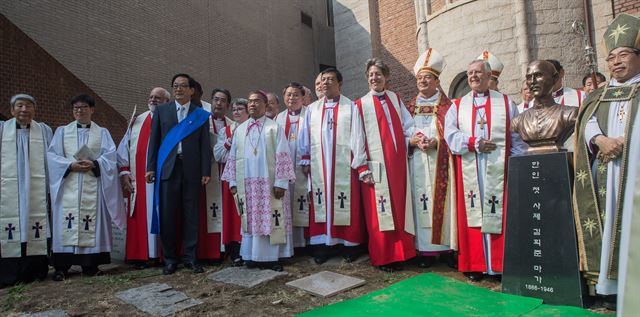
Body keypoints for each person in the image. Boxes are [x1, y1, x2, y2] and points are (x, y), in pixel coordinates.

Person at [573, 13, 640, 311]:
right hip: (605, 176)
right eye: (611, 57)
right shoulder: (598, 96)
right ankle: (608, 287)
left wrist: (628, 142)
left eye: (623, 54)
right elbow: (585, 122)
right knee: (609, 225)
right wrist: (601, 140)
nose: (615, 62)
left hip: (634, 175)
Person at [444, 59, 527, 281]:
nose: (473, 76)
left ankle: (500, 265)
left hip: (499, 170)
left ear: (489, 76)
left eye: (478, 72)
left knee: (499, 213)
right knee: (473, 214)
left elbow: (517, 139)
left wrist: (517, 168)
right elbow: (450, 136)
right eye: (470, 72)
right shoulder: (457, 105)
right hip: (470, 170)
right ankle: (475, 264)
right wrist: (473, 143)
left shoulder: (507, 104)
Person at [48, 94, 126, 281]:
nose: (79, 111)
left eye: (83, 107)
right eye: (76, 108)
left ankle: (90, 266)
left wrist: (95, 163)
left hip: (93, 185)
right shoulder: (61, 132)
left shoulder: (103, 133)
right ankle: (62, 267)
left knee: (92, 223)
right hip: (69, 186)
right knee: (66, 224)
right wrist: (69, 165)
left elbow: (110, 157)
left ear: (92, 109)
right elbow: (52, 156)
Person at [353, 58, 417, 272]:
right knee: (380, 213)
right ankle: (385, 257)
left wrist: (415, 138)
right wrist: (362, 168)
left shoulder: (395, 98)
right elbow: (357, 138)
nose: (374, 78)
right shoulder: (360, 104)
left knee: (400, 210)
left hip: (398, 166)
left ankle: (404, 253)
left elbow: (408, 126)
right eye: (371, 74)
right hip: (376, 168)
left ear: (386, 77)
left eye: (378, 74)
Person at [221, 91, 295, 271]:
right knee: (251, 219)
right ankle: (251, 256)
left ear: (265, 105)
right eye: (250, 102)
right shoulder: (240, 129)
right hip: (248, 185)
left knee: (272, 219)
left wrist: (281, 182)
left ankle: (272, 258)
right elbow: (233, 157)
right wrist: (233, 183)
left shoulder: (274, 127)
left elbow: (283, 155)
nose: (252, 105)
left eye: (257, 101)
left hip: (270, 184)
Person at [145, 73, 212, 275]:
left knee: (191, 216)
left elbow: (204, 145)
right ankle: (171, 259)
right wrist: (150, 167)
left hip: (191, 170)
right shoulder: (162, 111)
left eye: (183, 86)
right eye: (175, 86)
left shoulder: (199, 114)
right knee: (168, 215)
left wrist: (205, 170)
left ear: (192, 90)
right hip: (168, 169)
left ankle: (191, 258)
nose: (179, 89)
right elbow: (154, 141)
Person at [299, 68, 367, 264]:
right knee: (321, 204)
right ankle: (323, 246)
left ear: (340, 84)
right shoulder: (312, 109)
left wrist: (359, 163)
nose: (326, 83)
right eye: (323, 80)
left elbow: (357, 136)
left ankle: (349, 246)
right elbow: (305, 135)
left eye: (330, 79)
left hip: (344, 165)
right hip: (319, 164)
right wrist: (305, 159)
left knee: (345, 204)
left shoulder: (351, 107)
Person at [405, 49, 456, 268]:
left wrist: (437, 141)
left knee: (444, 203)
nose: (423, 81)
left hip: (440, 163)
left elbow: (453, 132)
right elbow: (402, 133)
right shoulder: (408, 107)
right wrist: (413, 141)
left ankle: (446, 249)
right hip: (416, 163)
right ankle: (425, 250)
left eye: (427, 77)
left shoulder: (448, 107)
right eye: (419, 78)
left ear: (437, 81)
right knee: (420, 203)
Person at [0, 94, 52, 286]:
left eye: (29, 106)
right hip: (9, 186)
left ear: (34, 110)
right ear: (12, 110)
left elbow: (51, 158)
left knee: (35, 224)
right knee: (10, 226)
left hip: (35, 187)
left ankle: (35, 271)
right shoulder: (2, 130)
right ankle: (8, 275)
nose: (24, 109)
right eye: (19, 106)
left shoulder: (44, 131)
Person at [117, 87, 170, 268]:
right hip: (139, 179)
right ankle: (142, 255)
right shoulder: (137, 120)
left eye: (158, 98)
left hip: (163, 178)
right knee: (141, 215)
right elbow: (124, 147)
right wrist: (125, 173)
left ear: (166, 102)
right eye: (151, 97)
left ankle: (163, 255)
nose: (153, 100)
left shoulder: (171, 118)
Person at [198, 88, 234, 263]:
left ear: (227, 105)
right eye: (216, 99)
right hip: (208, 173)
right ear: (211, 102)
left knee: (226, 209)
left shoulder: (232, 124)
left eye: (223, 100)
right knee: (208, 211)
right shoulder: (202, 122)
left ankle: (225, 248)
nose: (218, 103)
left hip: (225, 174)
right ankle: (209, 251)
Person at [511, 60, 578, 154]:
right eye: (529, 78)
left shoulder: (570, 114)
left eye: (538, 75)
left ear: (555, 78)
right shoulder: (518, 121)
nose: (533, 81)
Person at [214, 98, 249, 265]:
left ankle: (249, 249)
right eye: (234, 109)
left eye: (240, 109)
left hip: (250, 178)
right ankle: (235, 251)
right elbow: (219, 156)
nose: (236, 112)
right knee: (234, 215)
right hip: (232, 178)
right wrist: (230, 141)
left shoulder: (254, 127)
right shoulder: (225, 131)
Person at [275, 82, 310, 249]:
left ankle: (305, 242)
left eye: (296, 95)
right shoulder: (278, 119)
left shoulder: (309, 114)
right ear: (284, 97)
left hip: (304, 167)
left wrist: (307, 159)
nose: (292, 98)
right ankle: (291, 244)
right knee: (287, 204)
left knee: (304, 201)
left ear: (303, 98)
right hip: (285, 170)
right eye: (289, 94)